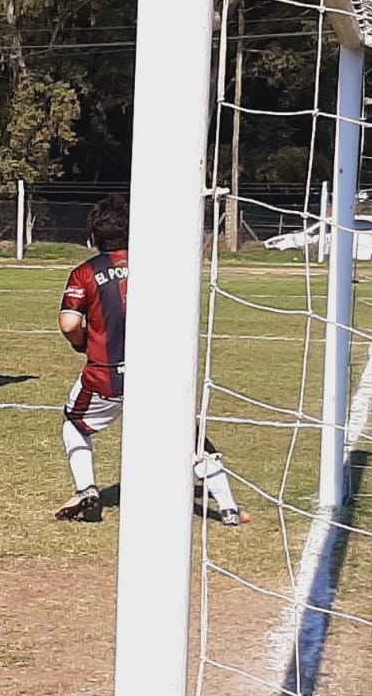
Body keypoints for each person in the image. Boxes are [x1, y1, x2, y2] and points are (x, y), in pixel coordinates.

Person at [52, 196, 251, 525]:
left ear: (93, 236)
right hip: (157, 373)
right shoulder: (157, 265)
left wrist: (82, 342)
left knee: (74, 423)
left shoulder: (84, 272)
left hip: (106, 376)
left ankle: (87, 488)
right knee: (189, 435)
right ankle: (229, 508)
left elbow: (69, 324)